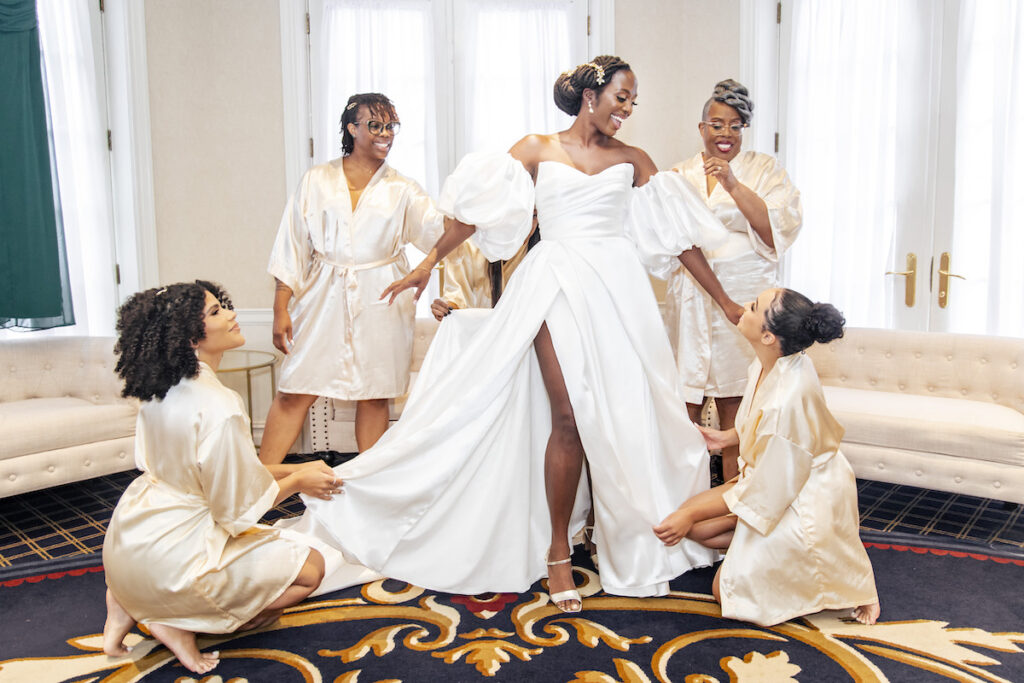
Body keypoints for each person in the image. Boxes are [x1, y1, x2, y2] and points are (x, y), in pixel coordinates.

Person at [286, 56, 744, 613]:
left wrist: (724, 302)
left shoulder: (634, 160)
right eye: (621, 96)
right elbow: (473, 216)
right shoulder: (535, 148)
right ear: (591, 94)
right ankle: (556, 550)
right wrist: (428, 261)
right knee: (570, 415)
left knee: (622, 415)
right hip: (553, 280)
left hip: (619, 290)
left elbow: (679, 240)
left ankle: (609, 531)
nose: (627, 109)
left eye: (633, 101)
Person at [101, 281, 345, 674]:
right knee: (311, 569)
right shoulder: (220, 405)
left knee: (279, 549)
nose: (232, 315)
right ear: (189, 336)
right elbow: (237, 511)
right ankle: (181, 621)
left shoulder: (157, 388)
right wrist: (298, 483)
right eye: (217, 312)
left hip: (130, 538)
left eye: (223, 307)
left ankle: (126, 598)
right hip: (177, 555)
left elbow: (228, 472)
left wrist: (299, 468)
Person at [653, 287, 880, 627]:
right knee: (696, 528)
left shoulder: (786, 397)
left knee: (725, 588)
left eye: (754, 307)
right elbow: (764, 433)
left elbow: (768, 487)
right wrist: (727, 437)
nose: (744, 306)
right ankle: (770, 549)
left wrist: (690, 513)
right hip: (779, 481)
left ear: (769, 336)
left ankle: (830, 577)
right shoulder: (775, 363)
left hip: (803, 495)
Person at [261, 93, 445, 459]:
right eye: (375, 125)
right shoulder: (316, 180)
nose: (386, 134)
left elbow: (440, 233)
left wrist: (428, 265)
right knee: (296, 387)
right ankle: (258, 488)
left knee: (374, 394)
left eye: (391, 126)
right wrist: (281, 307)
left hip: (384, 296)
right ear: (352, 128)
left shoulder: (403, 189)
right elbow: (293, 246)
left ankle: (367, 490)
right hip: (321, 294)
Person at [665, 79, 802, 481]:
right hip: (691, 300)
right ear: (701, 127)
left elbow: (773, 229)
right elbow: (667, 238)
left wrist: (732, 184)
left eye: (736, 126)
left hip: (745, 304)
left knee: (737, 411)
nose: (726, 134)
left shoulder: (764, 171)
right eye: (717, 124)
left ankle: (735, 510)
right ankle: (682, 504)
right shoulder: (680, 175)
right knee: (681, 409)